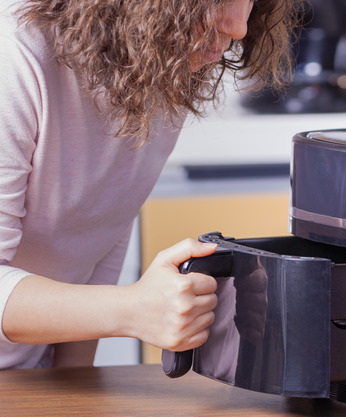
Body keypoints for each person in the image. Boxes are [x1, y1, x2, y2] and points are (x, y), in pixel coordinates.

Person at [0, 0, 298, 369]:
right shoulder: (14, 54)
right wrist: (133, 310)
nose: (238, 27)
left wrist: (75, 405)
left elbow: (94, 251)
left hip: (28, 384)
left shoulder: (158, 69)